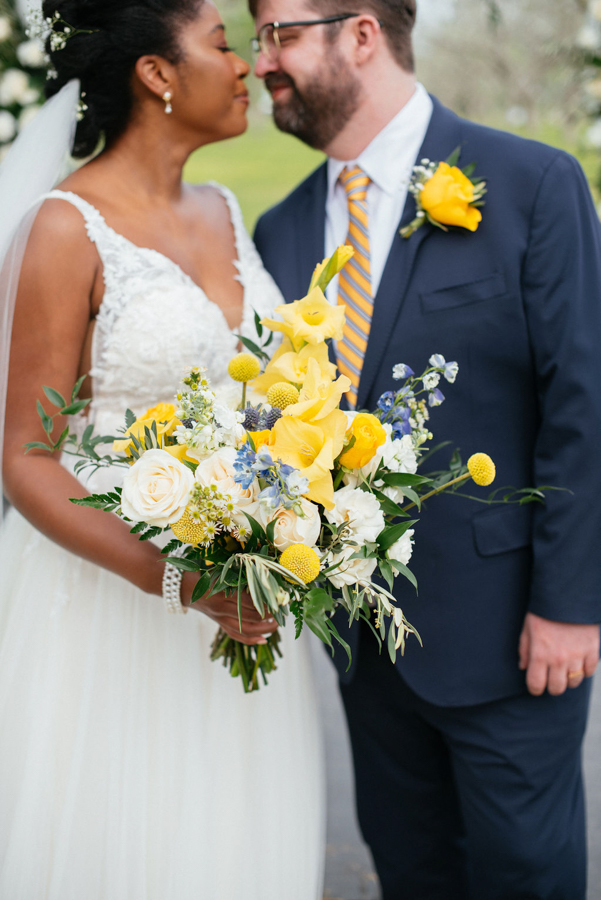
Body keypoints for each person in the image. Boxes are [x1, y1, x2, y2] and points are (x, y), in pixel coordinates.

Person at [250, 0, 601, 897]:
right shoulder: (279, 232)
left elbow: (582, 404)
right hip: (364, 652)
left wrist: (570, 604)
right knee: (408, 874)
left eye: (280, 34)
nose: (262, 63)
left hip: (513, 643)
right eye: (257, 39)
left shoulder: (530, 182)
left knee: (527, 877)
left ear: (360, 33)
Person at [0, 1, 325, 897]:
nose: (249, 67)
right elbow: (26, 457)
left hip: (244, 589)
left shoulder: (224, 208)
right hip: (111, 595)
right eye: (224, 45)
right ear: (156, 74)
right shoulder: (66, 229)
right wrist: (178, 580)